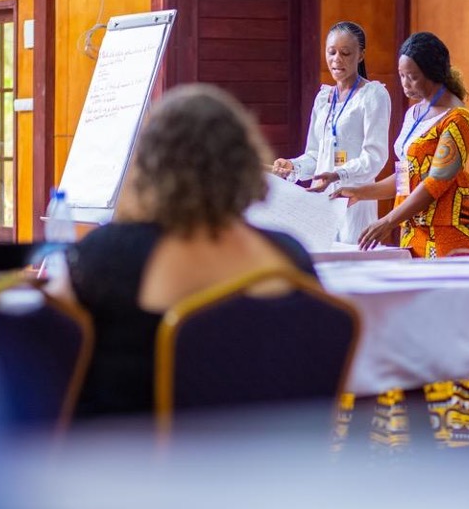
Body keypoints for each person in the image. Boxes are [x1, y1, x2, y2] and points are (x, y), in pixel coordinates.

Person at [53, 84, 317, 419]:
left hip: (133, 461)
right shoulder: (290, 255)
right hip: (279, 460)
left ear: (150, 165)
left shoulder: (109, 254)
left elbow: (48, 346)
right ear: (245, 162)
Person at [332, 31, 469, 258]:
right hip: (413, 230)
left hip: (446, 231)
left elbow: (436, 182)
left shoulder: (457, 118)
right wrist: (360, 192)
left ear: (433, 74)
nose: (404, 83)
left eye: (412, 76)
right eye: (401, 75)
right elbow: (406, 175)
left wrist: (388, 221)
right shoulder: (414, 112)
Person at [272, 21, 391, 244]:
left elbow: (375, 157)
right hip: (321, 200)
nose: (337, 59)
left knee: (352, 264)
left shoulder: (373, 95)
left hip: (355, 200)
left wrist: (338, 174)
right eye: (332, 52)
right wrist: (294, 166)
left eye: (345, 53)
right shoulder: (323, 98)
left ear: (361, 55)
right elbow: (315, 155)